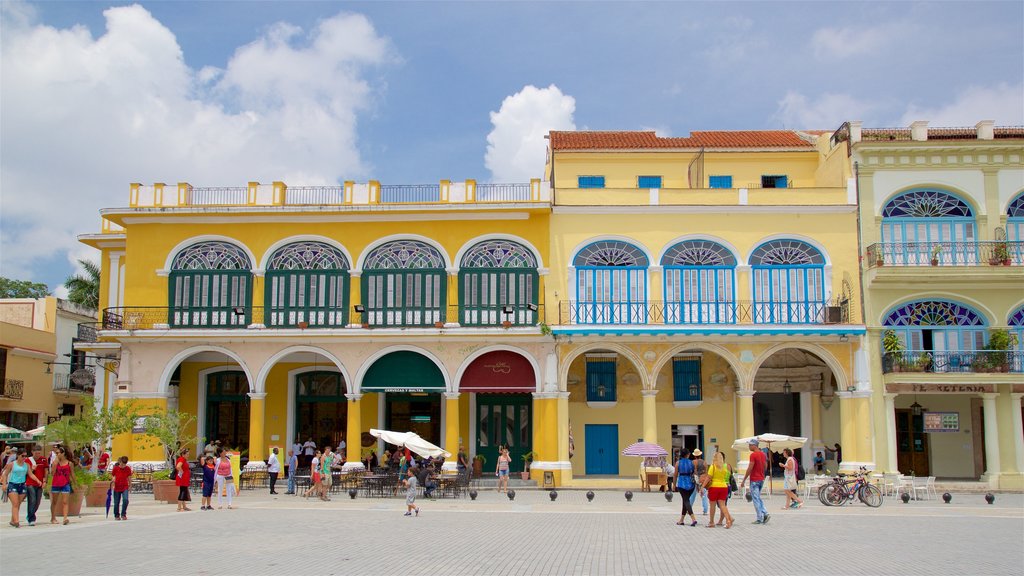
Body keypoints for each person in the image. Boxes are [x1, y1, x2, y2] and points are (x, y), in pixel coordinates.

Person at [2, 448, 39, 528]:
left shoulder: (27, 465)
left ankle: (13, 520)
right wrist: (4, 484)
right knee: (15, 503)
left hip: (22, 485)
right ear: (18, 455)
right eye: (23, 456)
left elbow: (30, 474)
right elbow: (5, 474)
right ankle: (16, 521)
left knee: (18, 504)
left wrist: (37, 480)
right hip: (13, 485)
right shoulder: (12, 464)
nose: (24, 458)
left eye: (26, 456)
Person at [739, 439, 769, 525]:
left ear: (754, 445)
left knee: (755, 498)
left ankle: (761, 517)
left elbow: (750, 467)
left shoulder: (753, 455)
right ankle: (764, 513)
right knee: (757, 497)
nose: (749, 447)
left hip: (754, 479)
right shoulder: (763, 454)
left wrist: (744, 479)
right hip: (761, 478)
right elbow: (765, 466)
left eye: (750, 445)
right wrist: (761, 473)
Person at [703, 451, 734, 529]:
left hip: (714, 487)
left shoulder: (713, 467)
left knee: (712, 505)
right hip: (724, 487)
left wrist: (702, 486)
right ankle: (728, 520)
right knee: (723, 505)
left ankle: (711, 522)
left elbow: (708, 477)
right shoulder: (724, 468)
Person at [49, 446, 74, 524]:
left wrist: (75, 484)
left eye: (58, 453)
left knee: (65, 501)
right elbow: (52, 473)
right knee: (54, 501)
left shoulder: (69, 463)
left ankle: (65, 518)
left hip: (65, 484)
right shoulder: (55, 462)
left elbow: (72, 474)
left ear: (63, 453)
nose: (57, 454)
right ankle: (53, 518)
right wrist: (55, 464)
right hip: (56, 483)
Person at [25, 445, 48, 526]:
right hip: (30, 483)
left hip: (40, 483)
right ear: (32, 452)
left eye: (39, 453)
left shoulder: (43, 459)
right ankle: (31, 518)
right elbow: (27, 472)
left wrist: (45, 481)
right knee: (32, 500)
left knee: (37, 501)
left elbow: (46, 470)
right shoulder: (28, 460)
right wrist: (32, 469)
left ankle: (30, 514)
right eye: (36, 453)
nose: (37, 455)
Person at [674, 448, 697, 527]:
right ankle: (681, 520)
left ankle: (693, 518)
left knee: (686, 500)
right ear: (687, 455)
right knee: (685, 501)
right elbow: (695, 473)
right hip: (691, 484)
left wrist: (674, 485)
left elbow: (675, 475)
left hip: (681, 483)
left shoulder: (678, 463)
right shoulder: (692, 463)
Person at [110, 456, 132, 520]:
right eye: (122, 464)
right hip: (117, 487)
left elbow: (129, 478)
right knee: (116, 502)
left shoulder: (127, 468)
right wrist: (113, 482)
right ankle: (116, 515)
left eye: (124, 464)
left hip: (125, 486)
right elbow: (113, 476)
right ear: (120, 462)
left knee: (125, 500)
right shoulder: (116, 468)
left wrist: (130, 485)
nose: (123, 466)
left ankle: (123, 514)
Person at [690, 448, 710, 516]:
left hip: (697, 479)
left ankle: (689, 508)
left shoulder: (693, 462)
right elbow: (707, 472)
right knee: (704, 495)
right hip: (704, 479)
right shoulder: (705, 462)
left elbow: (694, 471)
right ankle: (705, 510)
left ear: (695, 456)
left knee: (693, 495)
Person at [175, 447, 192, 512]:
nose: (188, 456)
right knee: (182, 491)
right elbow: (178, 466)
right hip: (183, 478)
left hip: (184, 478)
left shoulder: (183, 459)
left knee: (184, 491)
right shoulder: (182, 459)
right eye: (187, 454)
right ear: (183, 454)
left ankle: (184, 506)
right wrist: (181, 472)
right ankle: (179, 507)